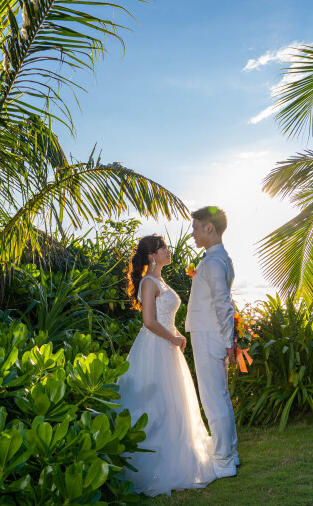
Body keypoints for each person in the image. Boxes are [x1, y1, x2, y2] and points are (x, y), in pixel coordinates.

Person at [117, 234, 216, 497]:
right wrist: (173, 337)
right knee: (156, 404)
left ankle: (176, 458)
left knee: (173, 404)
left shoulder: (160, 280)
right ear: (152, 255)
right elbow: (148, 321)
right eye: (163, 248)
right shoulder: (149, 282)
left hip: (168, 346)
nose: (168, 250)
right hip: (155, 346)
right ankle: (154, 468)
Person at [184, 206, 240, 479]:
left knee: (213, 400)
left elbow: (223, 303)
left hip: (209, 337)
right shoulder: (219, 259)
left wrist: (229, 342)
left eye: (195, 227)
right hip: (211, 335)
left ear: (209, 228)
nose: (192, 233)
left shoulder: (215, 262)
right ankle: (230, 453)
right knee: (221, 397)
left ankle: (223, 460)